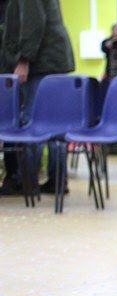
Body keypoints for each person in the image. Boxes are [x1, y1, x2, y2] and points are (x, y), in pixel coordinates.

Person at [0, 0, 74, 195]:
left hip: (40, 63)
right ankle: (57, 181)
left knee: (33, 122)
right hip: (51, 60)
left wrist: (24, 58)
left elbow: (33, 22)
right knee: (53, 124)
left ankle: (27, 181)